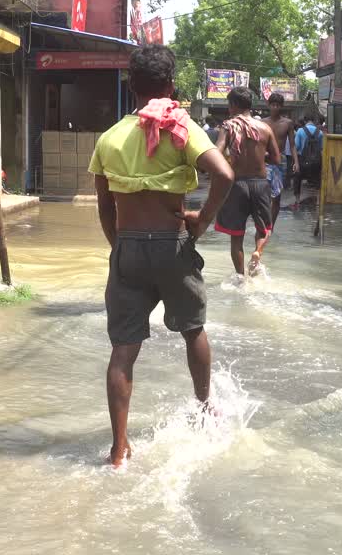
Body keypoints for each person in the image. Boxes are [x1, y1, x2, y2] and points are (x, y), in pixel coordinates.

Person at [88, 45, 235, 467]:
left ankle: (119, 449)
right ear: (170, 86)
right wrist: (202, 222)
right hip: (171, 243)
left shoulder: (109, 137)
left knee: (123, 349)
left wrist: (119, 245)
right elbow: (223, 174)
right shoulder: (179, 127)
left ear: (130, 86)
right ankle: (205, 409)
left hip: (128, 246)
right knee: (193, 329)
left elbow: (103, 204)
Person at [214, 87, 281, 276]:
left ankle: (241, 278)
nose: (228, 109)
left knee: (236, 237)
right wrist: (260, 156)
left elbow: (217, 152)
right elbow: (277, 159)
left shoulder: (228, 126)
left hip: (237, 185)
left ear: (234, 105)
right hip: (260, 184)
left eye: (229, 104)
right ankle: (257, 252)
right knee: (264, 229)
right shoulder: (265, 128)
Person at [263, 93, 299, 228]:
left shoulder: (287, 123)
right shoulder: (262, 122)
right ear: (269, 105)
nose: (275, 108)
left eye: (278, 105)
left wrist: (296, 162)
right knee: (264, 196)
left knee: (277, 197)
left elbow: (292, 144)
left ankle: (270, 227)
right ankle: (264, 224)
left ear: (281, 106)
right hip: (264, 161)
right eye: (273, 105)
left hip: (280, 161)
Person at [294, 116, 323, 202]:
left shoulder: (300, 131)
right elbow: (321, 149)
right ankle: (318, 200)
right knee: (318, 179)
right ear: (314, 121)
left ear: (305, 121)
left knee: (297, 179)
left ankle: (297, 200)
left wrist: (295, 162)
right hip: (316, 162)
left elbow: (297, 147)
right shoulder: (320, 133)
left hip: (302, 161)